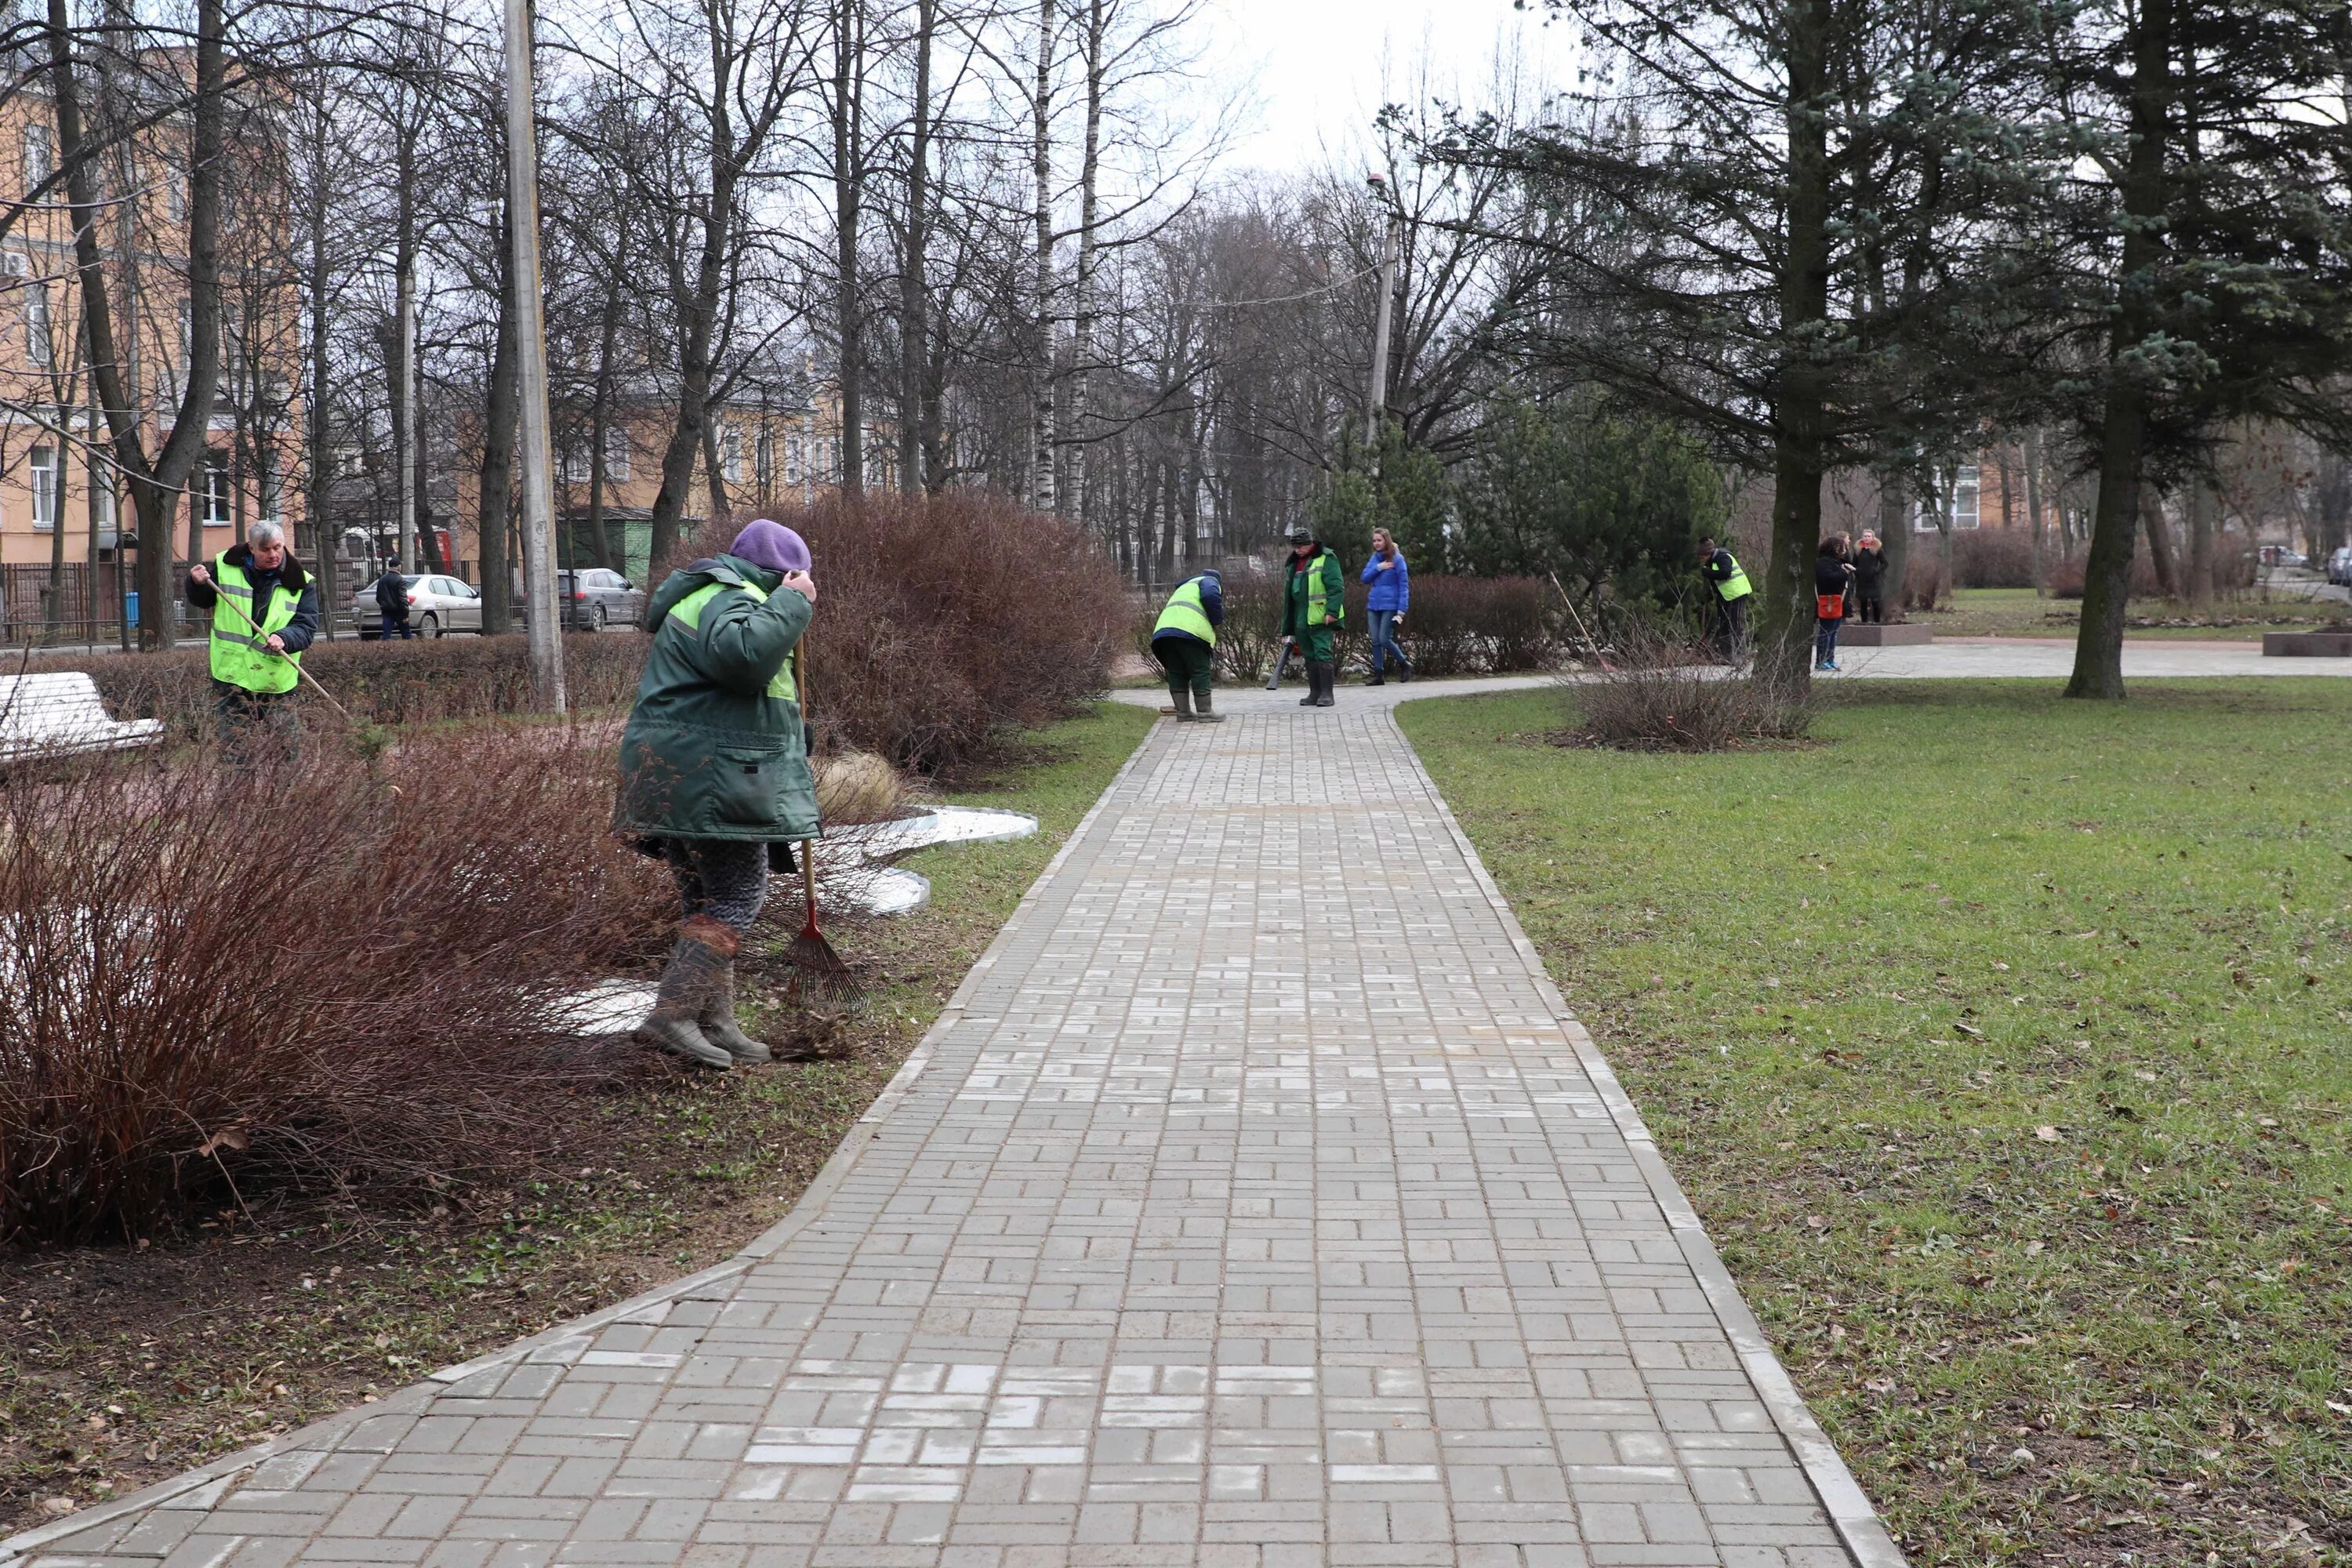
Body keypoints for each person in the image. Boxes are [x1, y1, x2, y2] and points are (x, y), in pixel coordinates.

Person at [615, 518, 820, 1070]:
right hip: (707, 774)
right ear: (784, 574)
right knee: (738, 894)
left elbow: (738, 685)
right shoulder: (730, 597)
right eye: (798, 580)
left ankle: (716, 1023)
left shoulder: (720, 597)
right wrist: (794, 605)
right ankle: (672, 1015)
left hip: (690, 770)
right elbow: (744, 660)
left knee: (705, 900)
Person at [186, 519, 320, 755]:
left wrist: (284, 637)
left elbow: (306, 627)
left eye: (277, 547)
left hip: (275, 680)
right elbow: (204, 600)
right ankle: (239, 793)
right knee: (234, 753)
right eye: (265, 549)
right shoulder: (225, 567)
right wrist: (195, 584)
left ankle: (288, 793)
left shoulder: (301, 582)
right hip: (232, 675)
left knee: (286, 752)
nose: (273, 554)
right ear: (251, 548)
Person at [1150, 567, 1225, 723]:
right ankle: (1205, 712)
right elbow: (1210, 595)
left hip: (1164, 632)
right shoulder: (1210, 581)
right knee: (1200, 670)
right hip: (1190, 632)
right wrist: (1217, 619)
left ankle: (1183, 713)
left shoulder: (1186, 586)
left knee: (1176, 671)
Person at [1283, 527, 1345, 707]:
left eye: (1301, 546)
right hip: (1300, 615)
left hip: (1319, 615)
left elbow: (1336, 587)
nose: (1298, 550)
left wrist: (1332, 612)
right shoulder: (1294, 562)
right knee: (1309, 654)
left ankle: (1327, 694)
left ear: (1310, 543)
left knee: (1322, 652)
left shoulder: (1327, 558)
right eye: (1295, 546)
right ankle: (1315, 693)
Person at [1360, 527, 1413, 684]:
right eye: (1374, 540)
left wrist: (1402, 609)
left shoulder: (1398, 559)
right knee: (1375, 640)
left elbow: (1404, 585)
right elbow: (1364, 578)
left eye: (1379, 540)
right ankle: (1379, 675)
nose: (1376, 543)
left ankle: (1404, 664)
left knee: (1384, 639)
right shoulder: (1374, 559)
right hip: (1374, 605)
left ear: (1386, 540)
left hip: (1390, 605)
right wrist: (1379, 568)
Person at [1697, 536, 1753, 663]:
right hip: (1725, 596)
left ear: (1708, 553)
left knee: (1736, 625)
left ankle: (1740, 656)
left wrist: (1708, 572)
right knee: (1724, 625)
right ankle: (1727, 657)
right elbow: (1715, 584)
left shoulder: (1723, 557)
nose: (1701, 560)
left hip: (1738, 593)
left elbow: (1725, 573)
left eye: (1702, 557)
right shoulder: (1711, 562)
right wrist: (1706, 598)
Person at [1816, 533, 1857, 673]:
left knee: (1833, 633)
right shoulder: (1824, 563)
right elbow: (1827, 579)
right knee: (1826, 632)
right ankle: (1821, 660)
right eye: (1842, 547)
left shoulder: (1836, 562)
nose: (1844, 549)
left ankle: (1830, 659)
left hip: (1839, 601)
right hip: (1829, 600)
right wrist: (1844, 572)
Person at [1852, 530, 1887, 624]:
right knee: (1863, 603)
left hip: (1873, 580)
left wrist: (1876, 570)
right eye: (1865, 536)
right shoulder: (1858, 550)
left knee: (1875, 602)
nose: (1866, 538)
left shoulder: (1877, 549)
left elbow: (1885, 563)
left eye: (1869, 536)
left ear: (1872, 538)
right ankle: (1864, 623)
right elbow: (1853, 564)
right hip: (1861, 580)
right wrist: (1857, 571)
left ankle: (1877, 622)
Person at [373, 563, 416, 639]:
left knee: (386, 633)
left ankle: (385, 649)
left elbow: (378, 596)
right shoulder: (400, 579)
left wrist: (383, 604)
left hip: (387, 610)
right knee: (406, 633)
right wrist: (406, 614)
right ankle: (409, 649)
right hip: (399, 610)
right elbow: (403, 598)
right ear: (399, 567)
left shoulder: (382, 579)